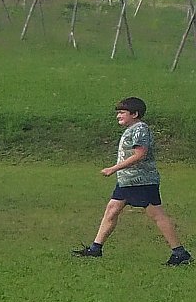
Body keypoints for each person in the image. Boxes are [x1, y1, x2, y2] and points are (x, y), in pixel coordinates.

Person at [74, 96, 189, 264]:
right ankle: (95, 249)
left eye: (122, 112)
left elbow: (140, 154)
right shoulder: (132, 129)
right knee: (112, 209)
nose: (118, 116)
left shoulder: (140, 129)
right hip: (127, 181)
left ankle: (179, 253)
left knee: (157, 215)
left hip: (141, 181)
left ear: (134, 114)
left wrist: (113, 168)